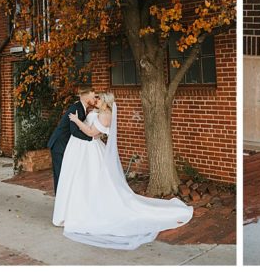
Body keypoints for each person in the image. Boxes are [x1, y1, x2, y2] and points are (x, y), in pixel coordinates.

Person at [52, 92, 193, 250]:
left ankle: (90, 211)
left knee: (91, 180)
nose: (95, 100)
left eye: (98, 98)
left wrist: (76, 121)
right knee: (82, 181)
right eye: (96, 97)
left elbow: (92, 133)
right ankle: (77, 209)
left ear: (105, 102)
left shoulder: (106, 115)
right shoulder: (97, 112)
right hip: (85, 150)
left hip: (91, 150)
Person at [47, 88, 96, 193]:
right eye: (93, 97)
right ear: (86, 97)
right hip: (59, 145)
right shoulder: (76, 108)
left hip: (65, 145)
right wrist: (90, 137)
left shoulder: (81, 108)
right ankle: (60, 202)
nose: (94, 99)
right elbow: (74, 131)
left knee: (64, 173)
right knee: (60, 174)